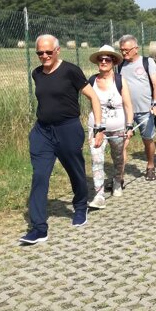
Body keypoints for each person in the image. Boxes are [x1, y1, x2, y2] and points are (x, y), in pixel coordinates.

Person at [21, 34, 103, 244]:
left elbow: (93, 97)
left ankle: (80, 206)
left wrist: (99, 127)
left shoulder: (70, 71)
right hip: (42, 132)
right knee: (39, 175)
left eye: (49, 52)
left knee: (75, 170)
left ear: (57, 51)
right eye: (40, 53)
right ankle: (39, 228)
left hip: (68, 129)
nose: (44, 56)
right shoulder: (36, 73)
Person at [86, 45, 134, 209]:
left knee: (118, 157)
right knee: (97, 160)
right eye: (101, 59)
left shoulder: (120, 81)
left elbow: (128, 105)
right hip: (96, 128)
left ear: (113, 62)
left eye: (108, 59)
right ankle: (99, 196)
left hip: (118, 128)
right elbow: (91, 105)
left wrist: (129, 127)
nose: (104, 61)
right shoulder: (92, 81)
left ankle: (117, 181)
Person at [118, 35, 156, 181]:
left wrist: (155, 103)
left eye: (127, 50)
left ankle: (150, 166)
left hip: (145, 111)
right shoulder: (120, 65)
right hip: (125, 112)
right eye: (121, 50)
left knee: (147, 139)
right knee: (122, 143)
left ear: (135, 49)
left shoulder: (147, 62)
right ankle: (120, 176)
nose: (124, 53)